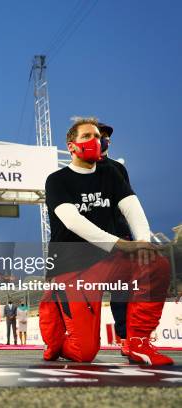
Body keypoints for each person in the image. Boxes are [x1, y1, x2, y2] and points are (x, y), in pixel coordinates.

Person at [39, 117, 172, 365]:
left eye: (97, 137)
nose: (95, 141)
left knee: (155, 262)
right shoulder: (57, 180)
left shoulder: (110, 173)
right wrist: (121, 244)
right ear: (71, 146)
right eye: (87, 136)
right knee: (84, 352)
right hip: (73, 267)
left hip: (109, 260)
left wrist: (142, 242)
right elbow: (72, 221)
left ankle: (138, 343)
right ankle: (56, 333)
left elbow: (132, 207)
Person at [97, 122, 131, 356]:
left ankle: (126, 337)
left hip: (119, 236)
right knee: (86, 292)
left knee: (121, 292)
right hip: (89, 241)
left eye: (106, 137)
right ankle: (82, 336)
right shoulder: (74, 172)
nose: (103, 140)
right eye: (99, 136)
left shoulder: (118, 169)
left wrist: (133, 237)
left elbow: (129, 203)